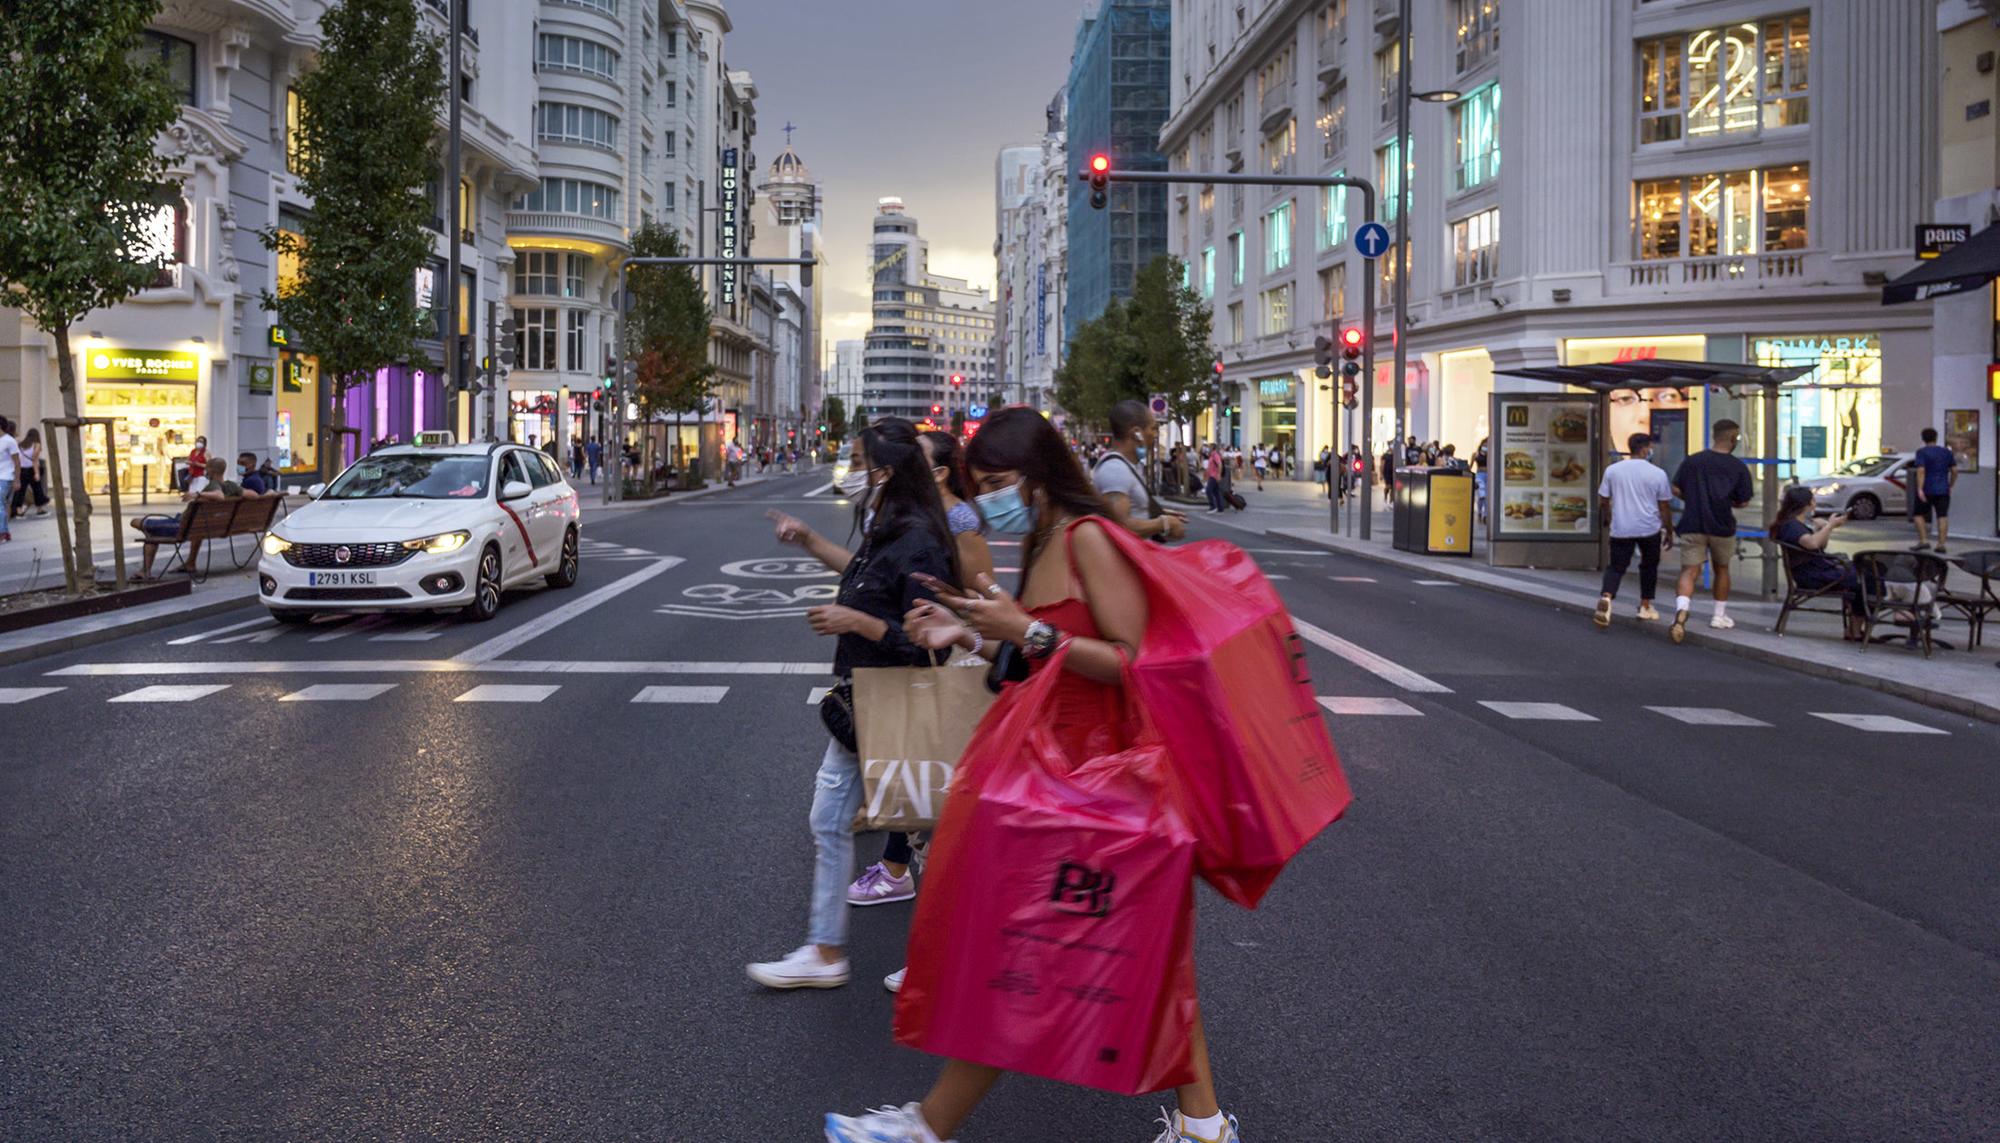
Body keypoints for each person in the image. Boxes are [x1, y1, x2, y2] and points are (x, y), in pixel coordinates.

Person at [827, 406, 1242, 1143]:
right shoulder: (1044, 534)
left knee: (1027, 943)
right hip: (1059, 768)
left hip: (1101, 773)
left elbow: (1128, 661)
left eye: (996, 482)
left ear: (1039, 472)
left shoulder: (1089, 538)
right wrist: (973, 637)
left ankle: (928, 1125)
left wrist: (1027, 629)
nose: (986, 498)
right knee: (1123, 948)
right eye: (978, 484)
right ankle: (1204, 1126)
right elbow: (1038, 661)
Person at [748, 418, 958, 993]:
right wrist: (810, 540)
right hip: (867, 700)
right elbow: (865, 577)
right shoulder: (890, 527)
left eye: (862, 458)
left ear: (886, 470)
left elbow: (924, 639)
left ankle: (939, 959)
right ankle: (826, 950)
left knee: (932, 836)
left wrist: (855, 620)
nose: (855, 467)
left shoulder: (919, 537)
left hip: (897, 702)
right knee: (840, 819)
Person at [846, 429, 999, 990]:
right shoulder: (906, 520)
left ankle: (950, 954)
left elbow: (988, 604)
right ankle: (938, 940)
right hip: (939, 664)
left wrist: (961, 628)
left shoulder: (954, 524)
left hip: (952, 672)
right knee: (927, 816)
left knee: (941, 822)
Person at [1668, 419, 1755, 643]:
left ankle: (1682, 609)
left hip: (1693, 523)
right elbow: (1743, 501)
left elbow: (1676, 488)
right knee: (1722, 569)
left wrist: (1692, 498)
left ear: (1714, 435)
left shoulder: (1693, 461)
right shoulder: (1737, 467)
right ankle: (1719, 616)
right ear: (1733, 438)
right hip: (1722, 525)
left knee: (1689, 570)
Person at [1594, 432, 1676, 629]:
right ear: (1645, 449)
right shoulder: (1658, 473)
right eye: (1650, 447)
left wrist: (1607, 517)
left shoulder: (1613, 471)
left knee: (1616, 567)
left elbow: (1604, 499)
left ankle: (1607, 597)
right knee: (1649, 567)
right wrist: (1669, 530)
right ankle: (1645, 605)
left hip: (1621, 527)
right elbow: (1664, 505)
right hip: (1649, 528)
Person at [1771, 485, 1866, 640]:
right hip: (1812, 575)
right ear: (1807, 505)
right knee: (1866, 579)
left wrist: (1826, 528)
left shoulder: (1796, 524)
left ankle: (1855, 628)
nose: (1815, 503)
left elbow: (1820, 545)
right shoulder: (1792, 526)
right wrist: (1829, 526)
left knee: (1866, 574)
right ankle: (1856, 630)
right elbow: (1812, 544)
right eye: (1813, 500)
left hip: (1816, 570)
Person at [130, 456, 244, 578]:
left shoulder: (213, 485)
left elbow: (219, 496)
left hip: (183, 527)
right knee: (196, 525)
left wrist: (196, 494)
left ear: (211, 471)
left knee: (138, 523)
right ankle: (190, 563)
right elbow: (253, 495)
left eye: (207, 468)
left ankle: (145, 571)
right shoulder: (231, 486)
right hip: (200, 527)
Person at [1094, 399, 1188, 543]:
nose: (1156, 435)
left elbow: (1132, 510)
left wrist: (1152, 513)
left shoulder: (1128, 466)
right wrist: (1164, 523)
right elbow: (1118, 525)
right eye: (1153, 428)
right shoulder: (1115, 470)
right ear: (1136, 433)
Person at [1911, 427, 1958, 554]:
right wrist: (1950, 484)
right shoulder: (1946, 452)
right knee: (1942, 515)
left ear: (1923, 439)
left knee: (1918, 514)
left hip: (1927, 489)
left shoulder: (1921, 452)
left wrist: (1920, 489)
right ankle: (1941, 544)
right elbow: (1954, 470)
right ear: (1936, 438)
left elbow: (1921, 471)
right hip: (1943, 489)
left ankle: (1924, 540)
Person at [10, 427, 49, 519]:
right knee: (37, 489)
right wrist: (37, 473)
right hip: (31, 470)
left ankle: (18, 511)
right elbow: (35, 460)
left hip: (22, 470)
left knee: (21, 491)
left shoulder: (21, 445)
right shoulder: (36, 445)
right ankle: (40, 509)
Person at [0, 416, 20, 543]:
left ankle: (2, 533)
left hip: (6, 477)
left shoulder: (9, 441)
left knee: (0, 505)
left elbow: (17, 462)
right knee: (2, 505)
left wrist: (17, 480)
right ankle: (5, 532)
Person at [1202, 444, 1225, 514]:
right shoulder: (1211, 456)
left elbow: (1220, 464)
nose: (1208, 448)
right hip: (1211, 475)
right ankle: (1220, 508)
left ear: (1213, 448)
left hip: (1214, 476)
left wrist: (1219, 474)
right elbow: (1210, 466)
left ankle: (1213, 506)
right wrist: (1206, 474)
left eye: (1210, 447)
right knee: (1216, 492)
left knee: (1208, 491)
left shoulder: (1215, 455)